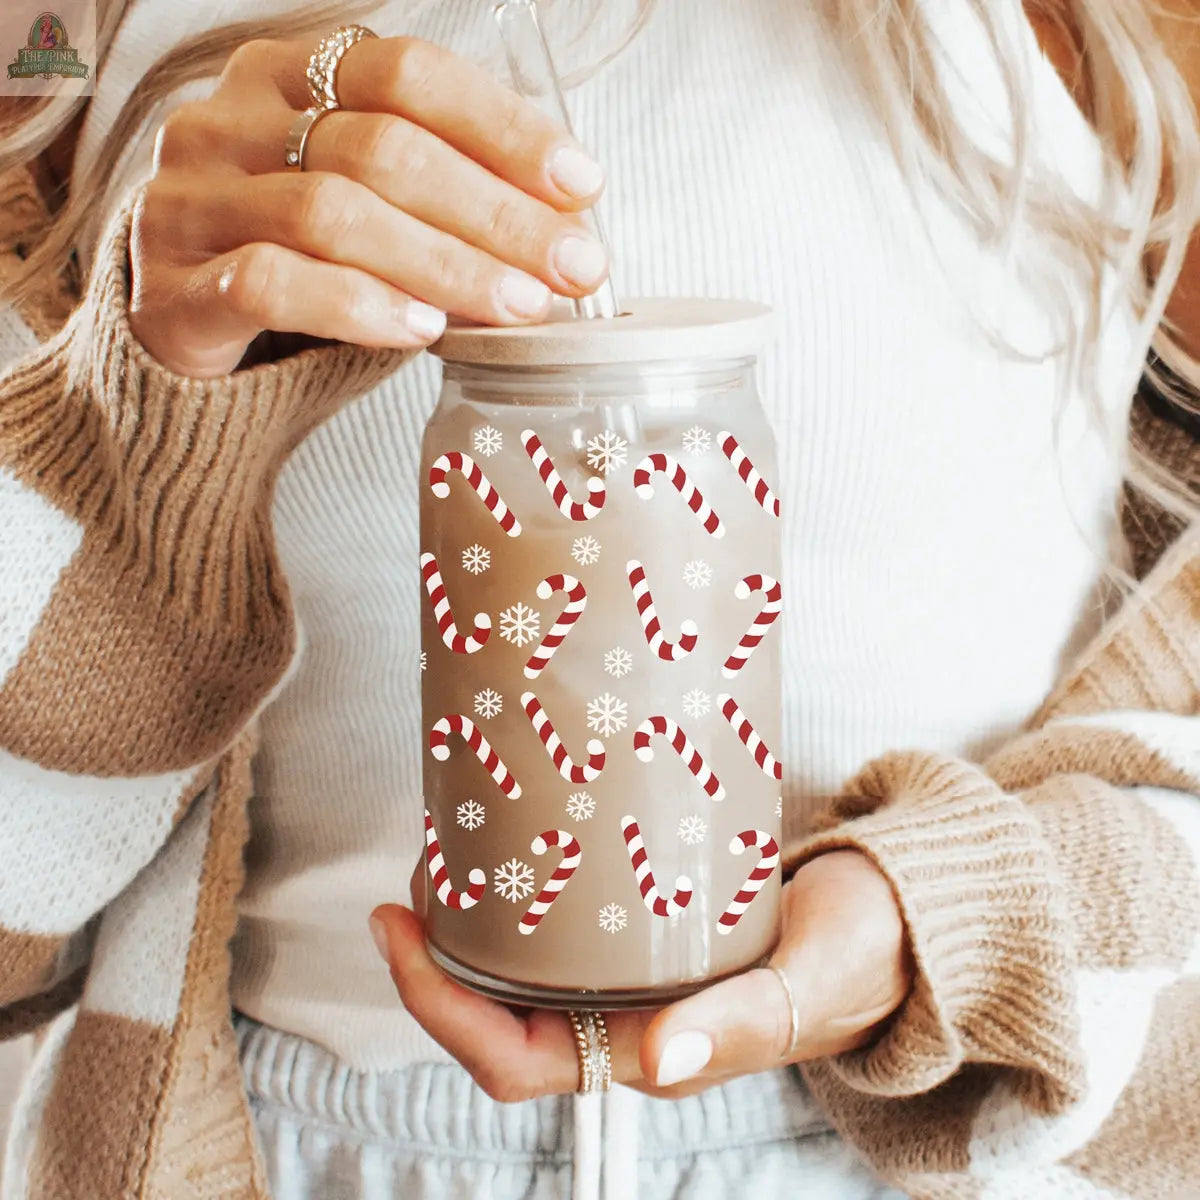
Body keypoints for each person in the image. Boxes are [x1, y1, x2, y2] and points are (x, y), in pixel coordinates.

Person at [0, 1, 1197, 1197]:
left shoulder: (1100, 39)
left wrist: (963, 920)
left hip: (933, 1142)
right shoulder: (61, 48)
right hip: (281, 1148)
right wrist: (129, 430)